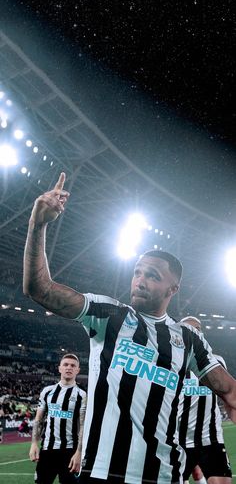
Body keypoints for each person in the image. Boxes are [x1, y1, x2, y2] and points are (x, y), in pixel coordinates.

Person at [23, 172, 236, 484]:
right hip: (98, 473)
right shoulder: (109, 315)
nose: (140, 280)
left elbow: (229, 390)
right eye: (137, 272)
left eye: (151, 275)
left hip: (162, 476)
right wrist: (38, 223)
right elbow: (40, 289)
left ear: (172, 289)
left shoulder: (188, 340)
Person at [178, 316, 232, 484]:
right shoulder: (171, 362)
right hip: (178, 440)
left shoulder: (217, 361)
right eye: (190, 329)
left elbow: (227, 394)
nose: (195, 332)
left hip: (211, 438)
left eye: (198, 329)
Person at [29, 353, 87, 484]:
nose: (69, 367)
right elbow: (38, 419)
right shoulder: (47, 391)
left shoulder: (82, 395)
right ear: (59, 368)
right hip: (47, 450)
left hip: (70, 452)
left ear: (77, 370)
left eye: (73, 365)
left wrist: (79, 452)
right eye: (65, 364)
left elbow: (83, 425)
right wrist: (34, 443)